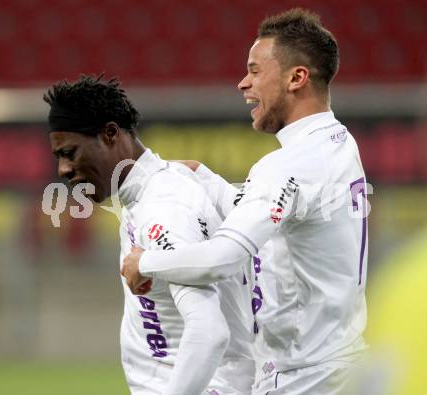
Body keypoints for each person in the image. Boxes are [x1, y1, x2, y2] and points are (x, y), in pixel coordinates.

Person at [122, 8, 368, 395]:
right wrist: (205, 177)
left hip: (303, 378)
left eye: (255, 71)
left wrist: (146, 262)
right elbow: (281, 214)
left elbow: (222, 259)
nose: (243, 83)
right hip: (342, 367)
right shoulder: (339, 143)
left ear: (296, 78)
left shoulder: (287, 166)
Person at [43, 75, 254, 395]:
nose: (63, 169)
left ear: (110, 134)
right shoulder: (148, 192)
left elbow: (209, 331)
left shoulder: (163, 207)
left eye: (70, 152)